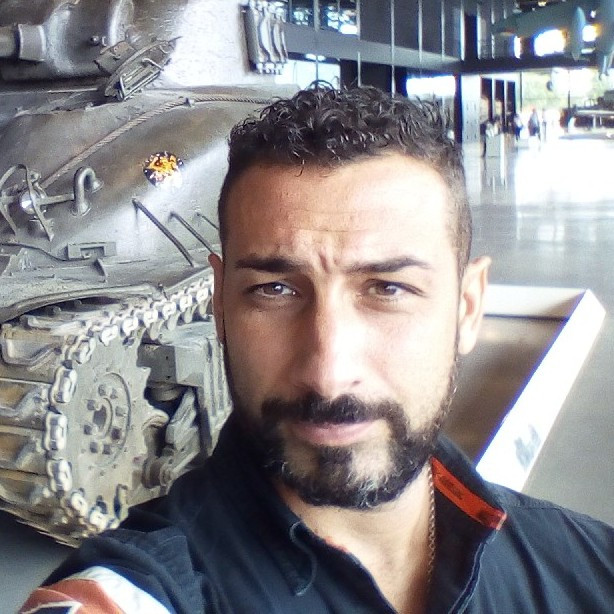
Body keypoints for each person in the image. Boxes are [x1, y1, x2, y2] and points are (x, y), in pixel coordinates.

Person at [21, 85, 614, 613]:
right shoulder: (144, 590)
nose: (328, 373)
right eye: (274, 290)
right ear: (219, 302)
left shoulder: (588, 567)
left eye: (388, 289)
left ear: (467, 306)